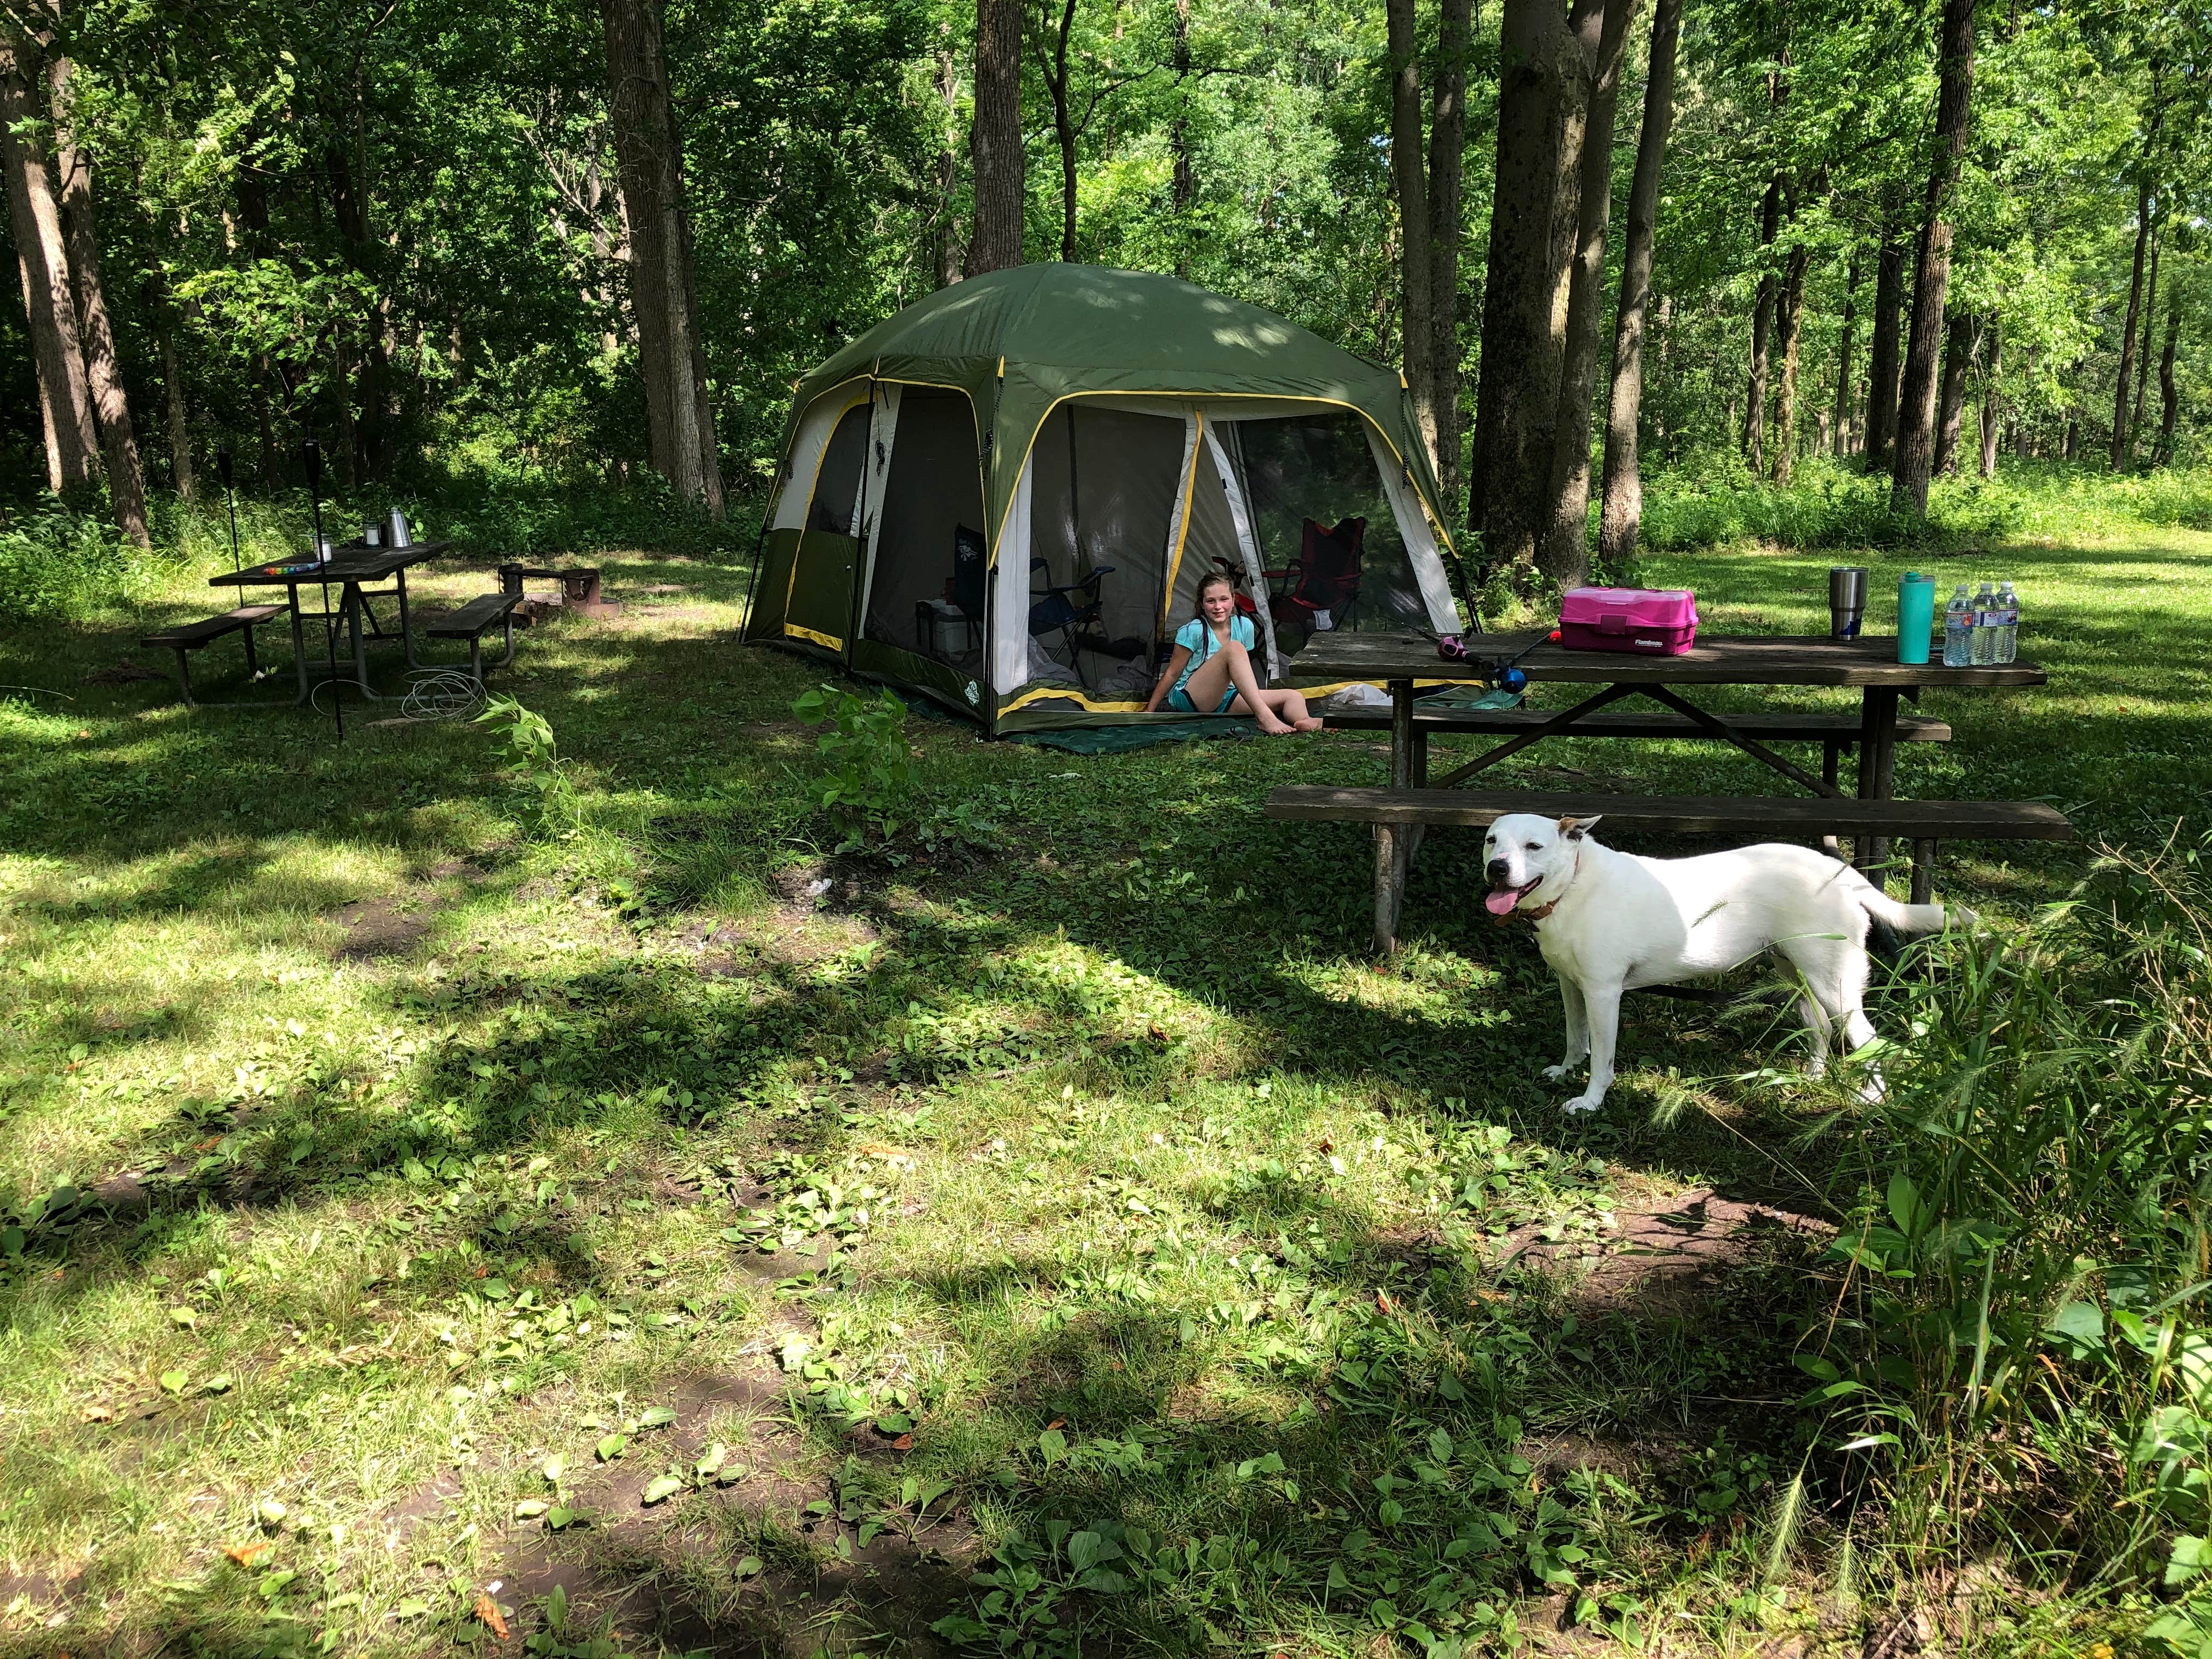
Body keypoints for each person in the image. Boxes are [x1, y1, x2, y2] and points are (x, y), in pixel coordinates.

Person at [1144, 571, 1321, 733]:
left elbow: (1243, 669)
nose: (1218, 607)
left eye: (1224, 599)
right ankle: (1264, 717)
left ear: (1234, 600)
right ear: (1202, 605)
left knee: (1293, 695)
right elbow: (1172, 673)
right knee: (1235, 648)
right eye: (1211, 601)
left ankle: (1304, 720)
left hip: (1227, 697)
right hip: (1191, 697)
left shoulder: (1245, 626)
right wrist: (1150, 711)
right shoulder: (1193, 631)